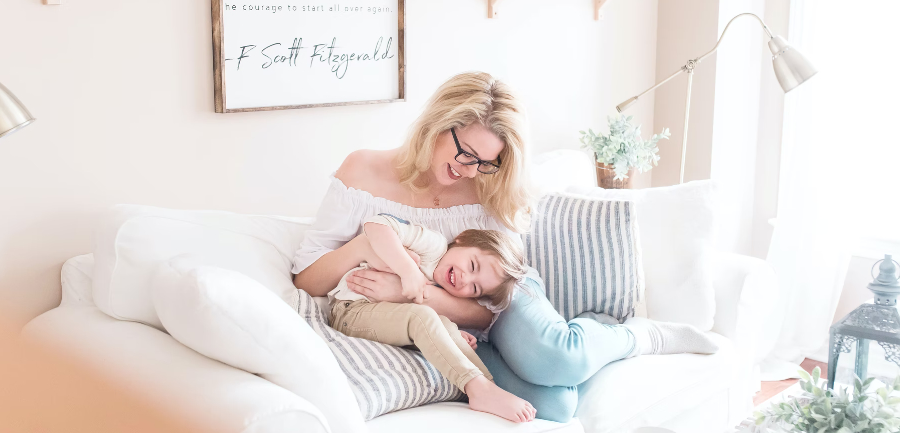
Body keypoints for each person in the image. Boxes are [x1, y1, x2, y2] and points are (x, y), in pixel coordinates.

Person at [292, 71, 718, 422]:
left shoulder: (487, 185)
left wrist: (416, 293)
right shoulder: (363, 171)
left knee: (559, 359)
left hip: (498, 287)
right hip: (439, 320)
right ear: (437, 124)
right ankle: (582, 333)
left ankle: (634, 336)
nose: (469, 171)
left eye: (484, 162)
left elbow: (489, 307)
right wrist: (365, 248)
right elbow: (306, 280)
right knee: (555, 406)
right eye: (465, 153)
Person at [327, 213, 535, 422]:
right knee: (423, 316)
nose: (465, 279)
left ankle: (487, 387)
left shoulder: (445, 288)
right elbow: (375, 224)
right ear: (463, 239)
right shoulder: (433, 246)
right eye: (472, 266)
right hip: (351, 310)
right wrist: (408, 270)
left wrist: (449, 335)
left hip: (384, 320)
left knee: (446, 326)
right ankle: (477, 388)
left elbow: (414, 319)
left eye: (474, 288)